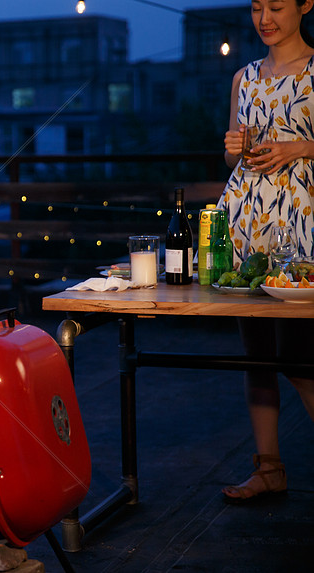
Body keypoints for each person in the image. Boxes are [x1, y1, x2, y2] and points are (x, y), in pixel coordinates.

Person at [218, 0, 314, 502]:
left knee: (301, 358)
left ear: (307, 5)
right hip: (249, 223)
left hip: (302, 227)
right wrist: (233, 146)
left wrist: (299, 147)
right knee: (255, 356)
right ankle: (269, 467)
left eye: (277, 5)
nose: (265, 17)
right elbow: (233, 150)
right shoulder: (244, 76)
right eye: (256, 7)